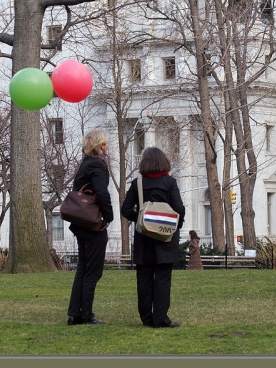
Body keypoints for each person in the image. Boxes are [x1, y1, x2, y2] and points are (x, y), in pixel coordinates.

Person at [121, 147, 186, 328]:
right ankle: (160, 318)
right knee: (163, 279)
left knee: (144, 278)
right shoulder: (169, 183)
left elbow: (125, 210)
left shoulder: (137, 184)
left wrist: (141, 220)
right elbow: (179, 209)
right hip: (165, 237)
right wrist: (174, 227)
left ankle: (146, 318)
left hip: (144, 238)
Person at [66, 129, 114, 325]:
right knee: (93, 270)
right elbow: (102, 193)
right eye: (106, 143)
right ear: (101, 145)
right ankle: (86, 313)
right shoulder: (98, 165)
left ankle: (74, 313)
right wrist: (108, 217)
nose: (108, 146)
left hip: (80, 222)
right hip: (92, 223)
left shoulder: (83, 164)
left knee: (83, 268)